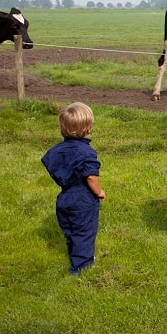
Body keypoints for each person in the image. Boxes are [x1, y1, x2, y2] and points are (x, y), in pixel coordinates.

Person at [41, 102, 105, 275]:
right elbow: (91, 176)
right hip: (83, 198)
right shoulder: (86, 152)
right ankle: (81, 268)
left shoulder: (56, 151)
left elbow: (48, 161)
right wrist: (99, 192)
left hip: (64, 197)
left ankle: (74, 254)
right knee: (84, 232)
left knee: (70, 231)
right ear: (88, 128)